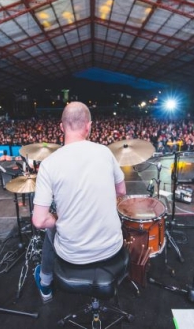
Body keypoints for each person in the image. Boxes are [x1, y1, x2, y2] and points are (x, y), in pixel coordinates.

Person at [31, 101, 126, 303]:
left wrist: (57, 218)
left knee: (50, 230)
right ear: (88, 126)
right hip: (113, 248)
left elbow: (39, 221)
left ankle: (45, 284)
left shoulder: (48, 165)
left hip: (73, 256)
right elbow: (121, 191)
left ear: (61, 127)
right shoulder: (105, 152)